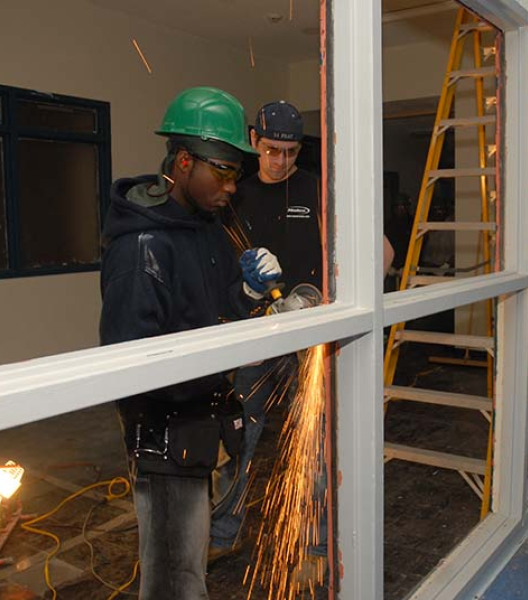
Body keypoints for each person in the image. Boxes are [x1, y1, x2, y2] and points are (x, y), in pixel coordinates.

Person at [99, 86, 282, 600]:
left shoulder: (207, 231)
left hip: (199, 424)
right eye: (222, 172)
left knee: (189, 564)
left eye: (236, 175)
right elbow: (133, 365)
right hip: (164, 435)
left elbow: (219, 309)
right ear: (183, 162)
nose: (231, 187)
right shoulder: (142, 250)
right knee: (174, 580)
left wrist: (246, 291)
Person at [210, 100, 324, 562]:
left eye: (291, 152)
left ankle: (316, 543)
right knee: (238, 436)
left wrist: (315, 299)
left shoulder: (316, 190)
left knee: (313, 440)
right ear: (254, 140)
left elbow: (364, 252)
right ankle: (222, 534)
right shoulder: (233, 195)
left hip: (307, 333)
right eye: (273, 149)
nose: (281, 161)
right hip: (254, 335)